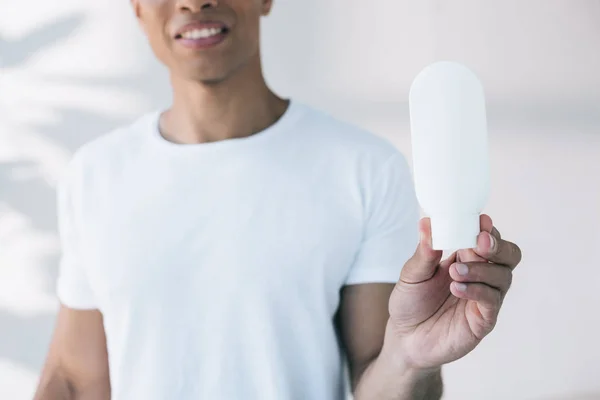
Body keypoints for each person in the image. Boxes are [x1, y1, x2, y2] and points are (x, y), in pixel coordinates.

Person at [34, 1, 522, 399]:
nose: (195, 2)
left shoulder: (363, 169)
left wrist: (410, 357)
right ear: (136, 7)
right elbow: (76, 381)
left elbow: (380, 382)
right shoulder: (94, 174)